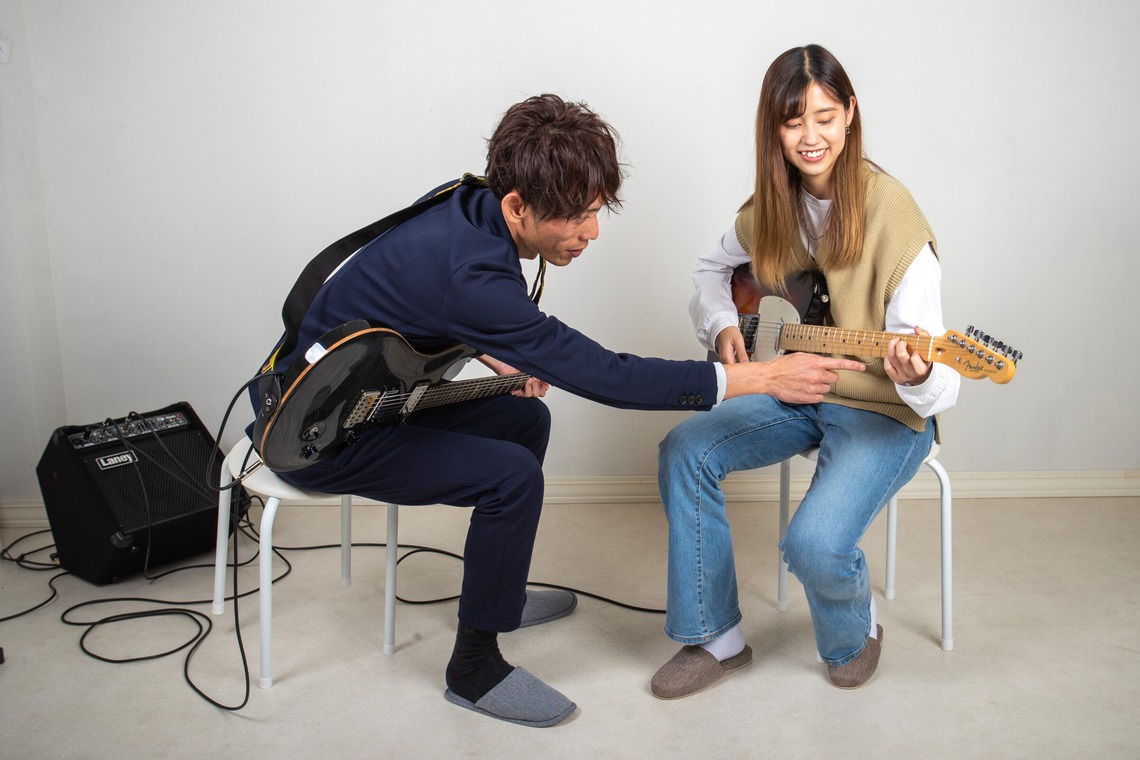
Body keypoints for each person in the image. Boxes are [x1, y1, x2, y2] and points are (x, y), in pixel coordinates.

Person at [252, 94, 859, 727]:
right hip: (319, 437)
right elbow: (607, 376)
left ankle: (498, 593)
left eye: (595, 213)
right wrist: (756, 376)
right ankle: (474, 668)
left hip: (365, 401)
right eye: (574, 217)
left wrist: (493, 352)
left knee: (525, 421)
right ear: (516, 204)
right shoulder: (474, 272)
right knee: (508, 478)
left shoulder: (470, 206)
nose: (590, 233)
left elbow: (415, 302)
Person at [650, 45, 961, 699]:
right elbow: (713, 272)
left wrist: (911, 372)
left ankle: (857, 629)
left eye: (825, 116)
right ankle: (715, 638)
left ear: (851, 114)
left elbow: (940, 391)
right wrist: (723, 325)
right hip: (798, 386)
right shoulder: (772, 208)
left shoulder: (894, 218)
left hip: (883, 410)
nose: (811, 136)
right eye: (795, 121)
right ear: (774, 128)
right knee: (685, 448)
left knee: (814, 544)